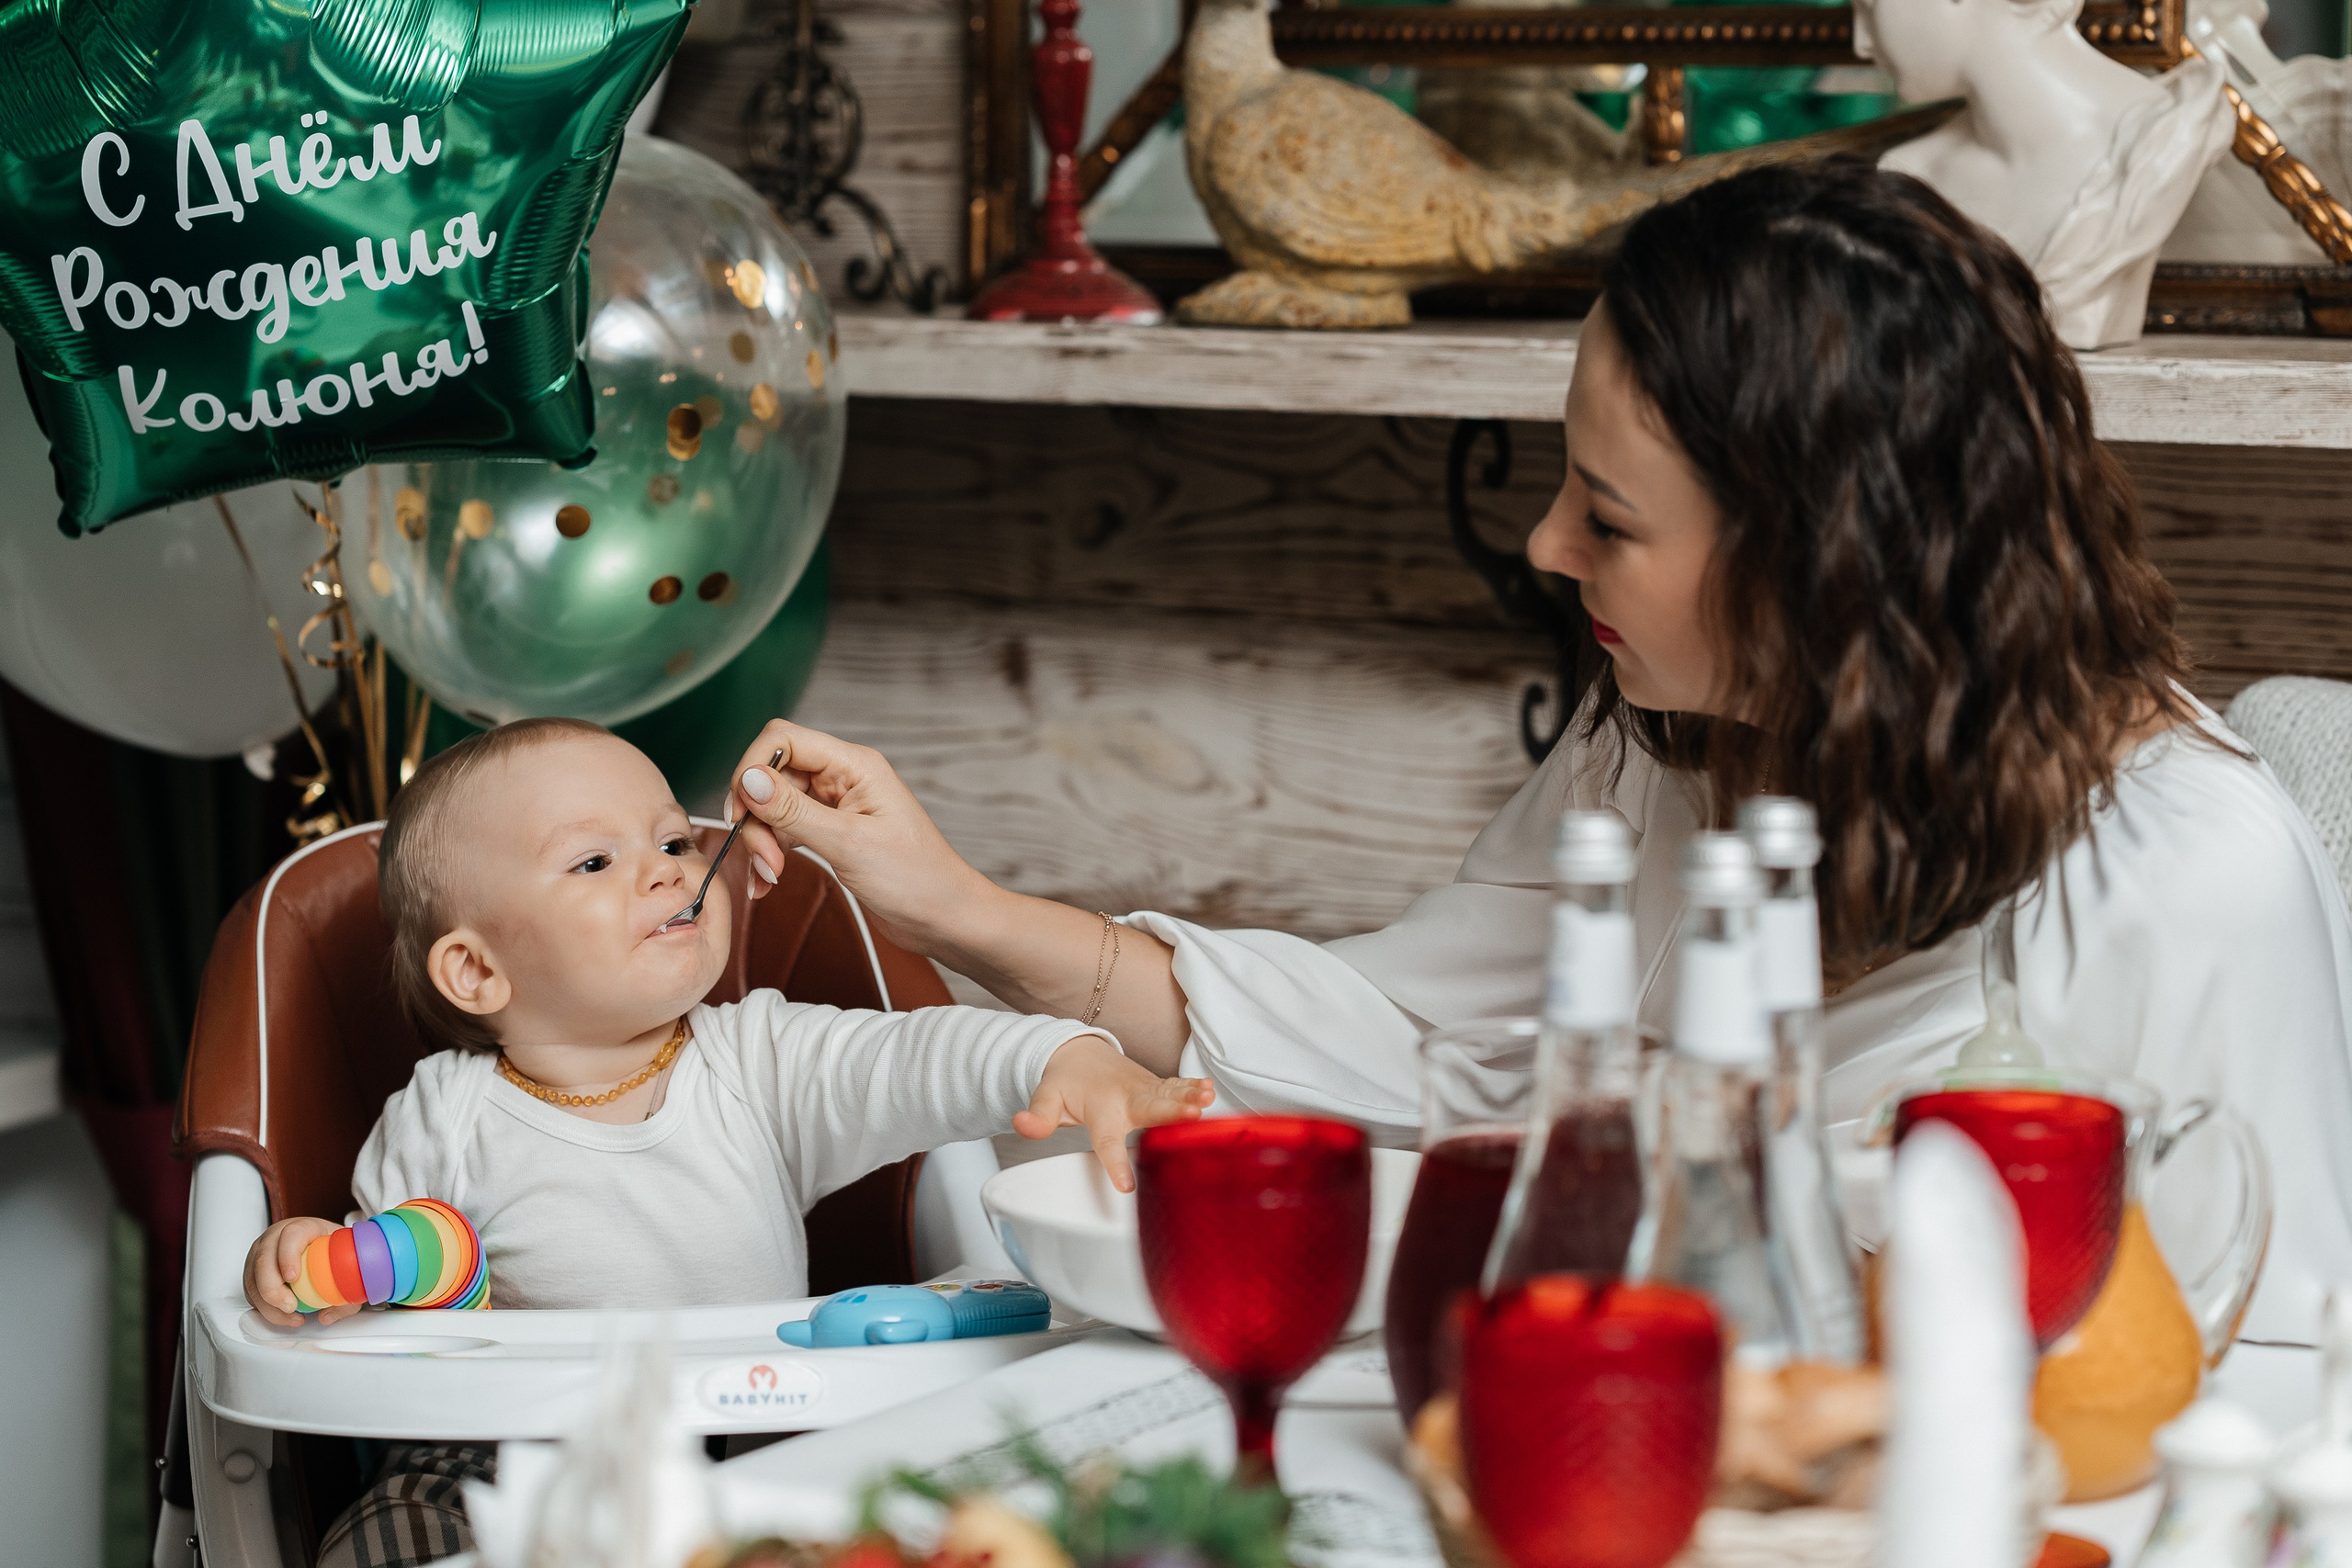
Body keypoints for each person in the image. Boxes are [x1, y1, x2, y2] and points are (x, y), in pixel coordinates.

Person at [717, 162, 2352, 1348]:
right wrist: (953, 905)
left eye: (1611, 514)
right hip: (1601, 1403)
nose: (1548, 543)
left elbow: (2261, 1358)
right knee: (980, 1173)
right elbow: (1420, 1044)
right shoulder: (1677, 734)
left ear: (1818, 560)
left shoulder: (2176, 864)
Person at [240, 716, 1210, 1565]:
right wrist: (315, 1267)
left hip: (758, 1450)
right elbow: (389, 1291)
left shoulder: (759, 1058)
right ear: (478, 970)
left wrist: (1063, 1059)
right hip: (496, 1465)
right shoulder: (444, 1114)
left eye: (671, 836)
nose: (667, 865)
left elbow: (918, 1058)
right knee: (376, 1542)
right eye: (595, 860)